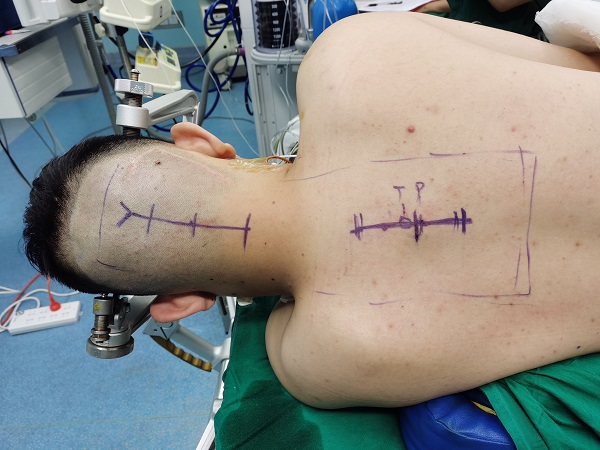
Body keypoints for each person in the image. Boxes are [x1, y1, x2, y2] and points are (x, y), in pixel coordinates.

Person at [23, 12, 600, 410]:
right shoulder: (354, 54)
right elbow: (582, 61)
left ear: (181, 305)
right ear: (199, 141)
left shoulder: (319, 360)